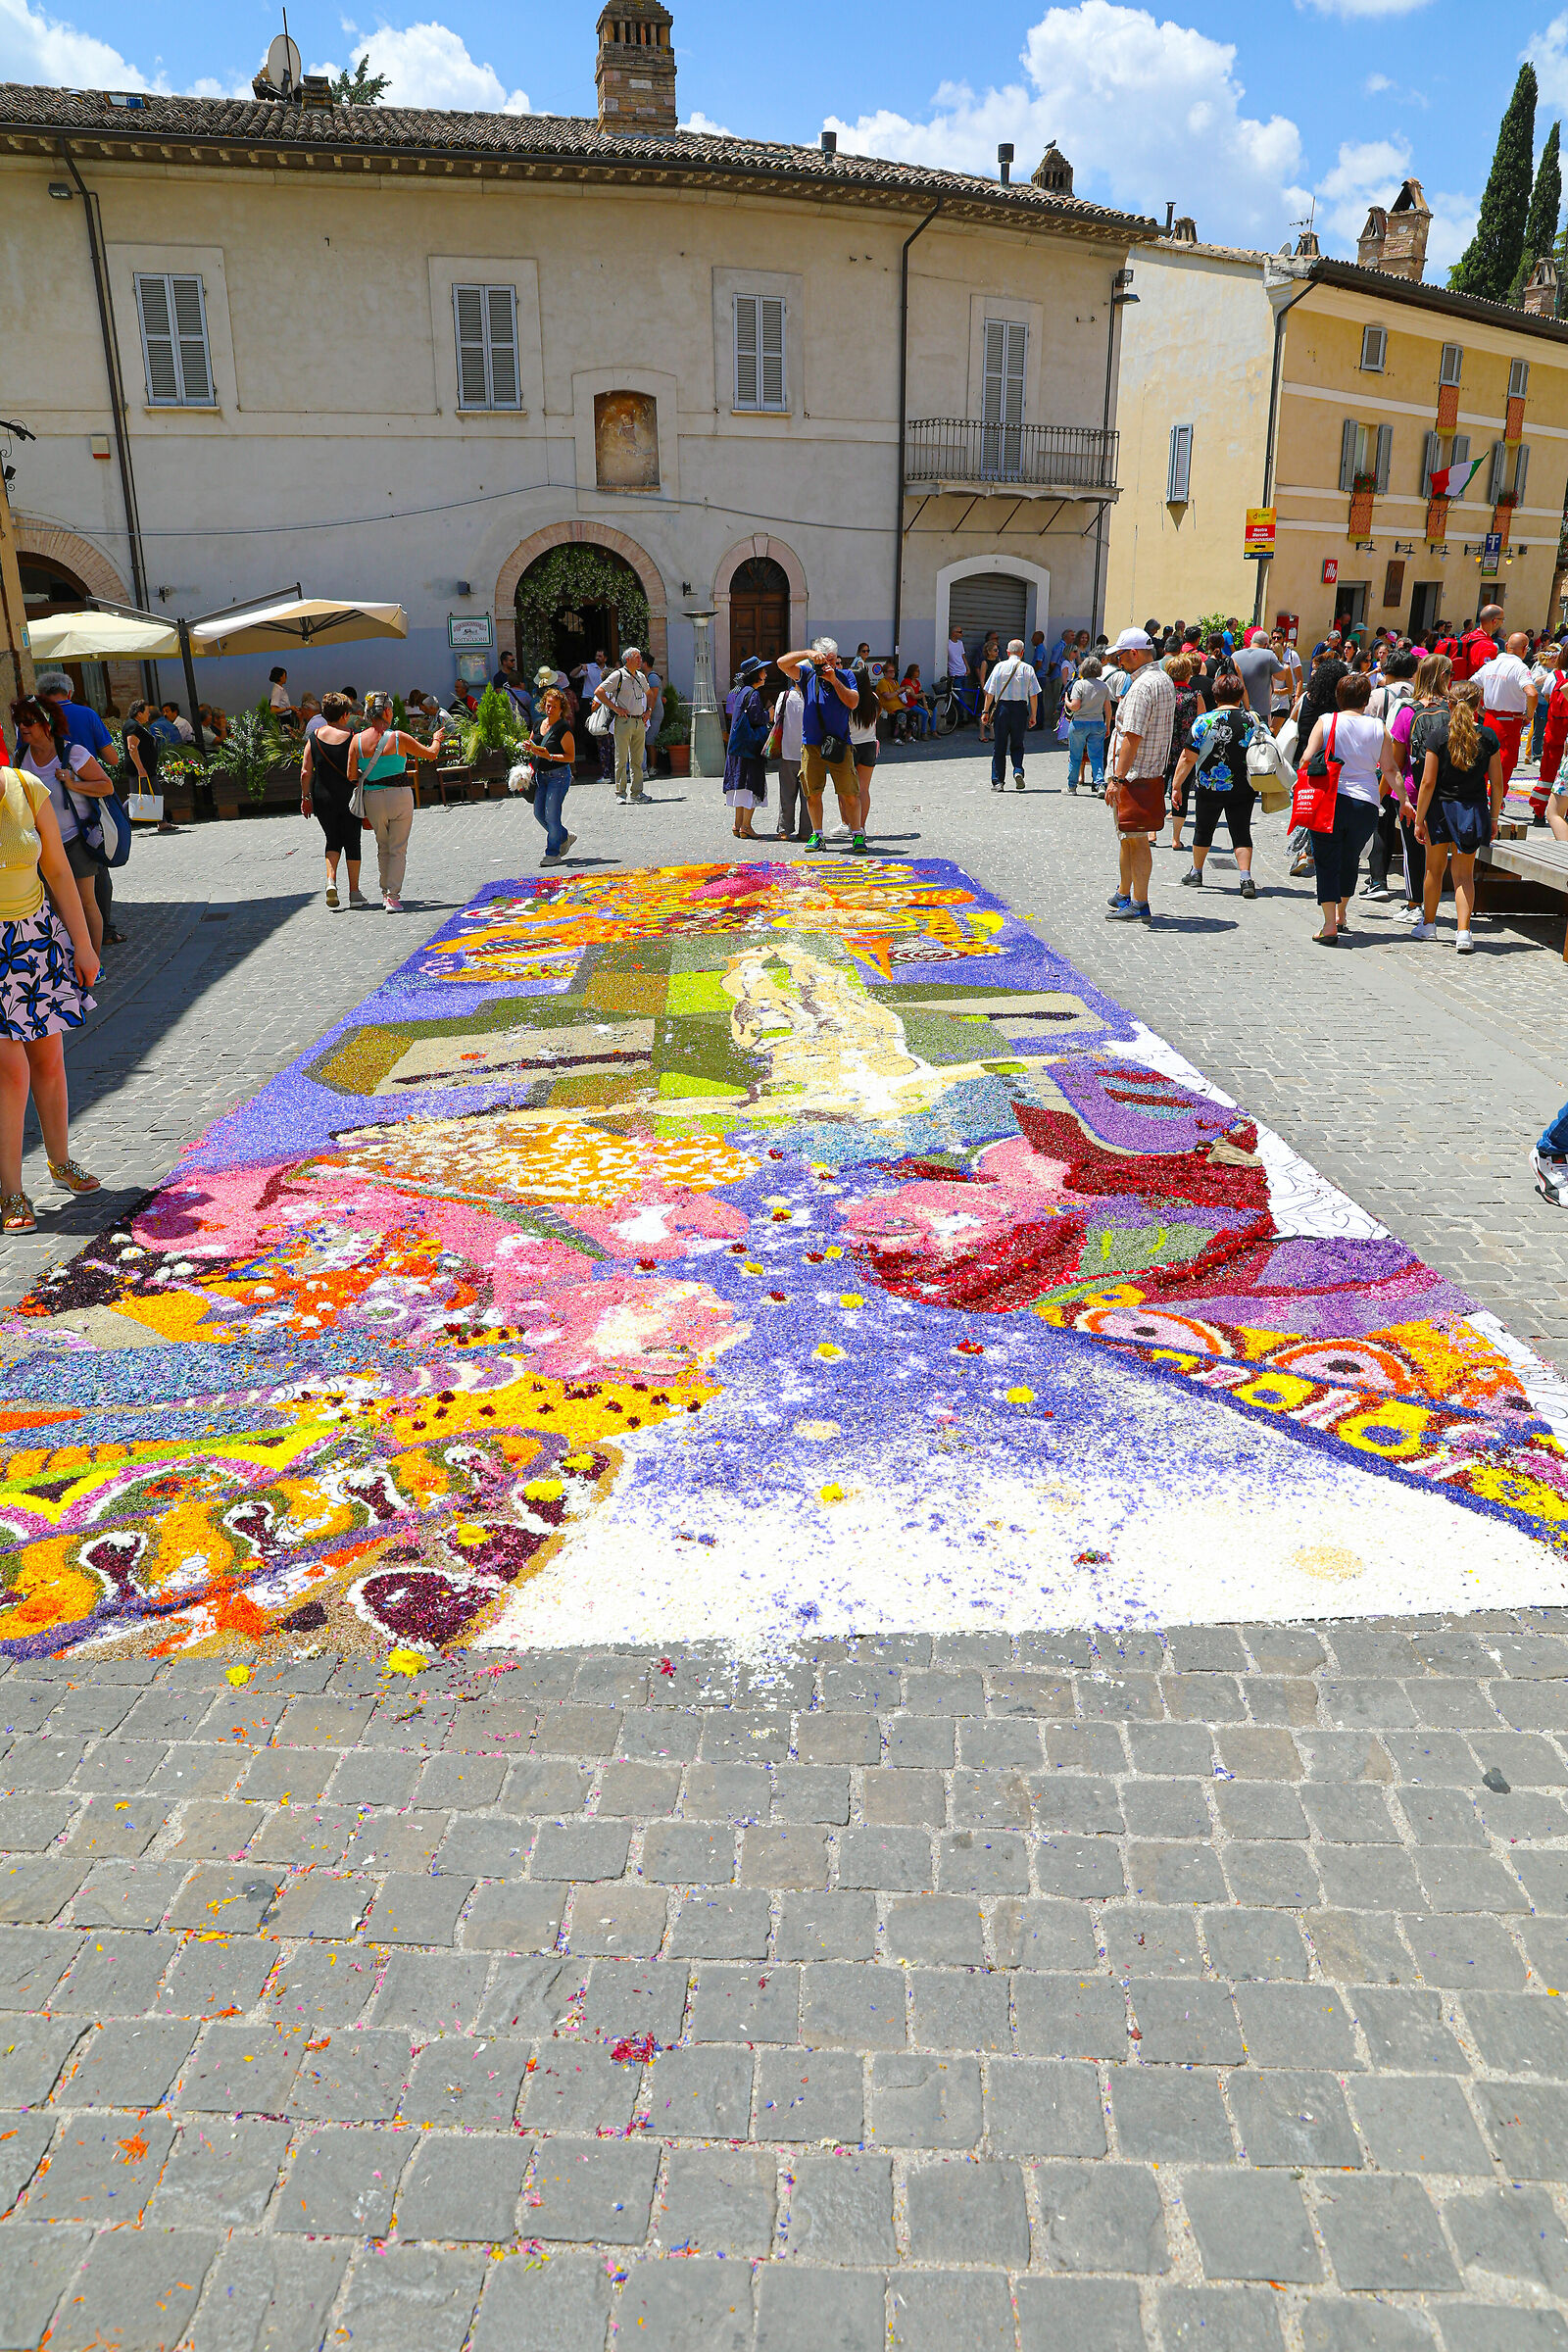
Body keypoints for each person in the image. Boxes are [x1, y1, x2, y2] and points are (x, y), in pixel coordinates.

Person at [0, 745, 100, 1231]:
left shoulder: (24, 785)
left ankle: (60, 1162)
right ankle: (11, 1191)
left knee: (49, 1060)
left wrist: (83, 945)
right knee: (11, 1073)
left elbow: (59, 870)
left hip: (37, 940)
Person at [12, 695, 115, 956]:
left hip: (76, 839)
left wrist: (73, 783)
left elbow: (106, 786)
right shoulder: (20, 757)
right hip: (45, 844)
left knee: (85, 902)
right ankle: (70, 957)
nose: (23, 727)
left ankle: (94, 962)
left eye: (29, 722)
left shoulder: (72, 753)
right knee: (57, 904)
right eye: (19, 722)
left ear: (46, 723)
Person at [1411, 680, 1504, 952]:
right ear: (1477, 706)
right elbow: (1497, 784)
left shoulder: (1438, 737)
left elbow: (1427, 783)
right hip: (1472, 810)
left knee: (1434, 869)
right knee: (1464, 874)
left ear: (1449, 705)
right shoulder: (1488, 737)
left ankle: (1428, 924)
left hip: (1440, 809)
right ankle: (1463, 931)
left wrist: (1419, 819)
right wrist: (1494, 817)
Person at [1298, 672, 1387, 945]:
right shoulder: (1378, 727)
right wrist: (1404, 800)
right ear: (1365, 698)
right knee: (1350, 858)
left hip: (1331, 801)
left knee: (1326, 861)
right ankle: (1341, 913)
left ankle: (1328, 925)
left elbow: (1306, 757)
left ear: (1339, 696)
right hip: (1366, 804)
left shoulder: (1327, 721)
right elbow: (1390, 768)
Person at [345, 691, 447, 911]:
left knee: (383, 846)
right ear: (388, 711)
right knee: (398, 848)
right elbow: (431, 754)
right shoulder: (398, 737)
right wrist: (437, 739)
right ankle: (392, 896)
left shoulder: (357, 740)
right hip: (398, 795)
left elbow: (351, 775)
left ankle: (384, 892)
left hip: (372, 797)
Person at [1104, 628, 1175, 923]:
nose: (1119, 661)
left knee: (1136, 838)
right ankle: (1125, 891)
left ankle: (1140, 901)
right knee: (1127, 835)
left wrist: (1117, 779)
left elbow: (1131, 736)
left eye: (1121, 655)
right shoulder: (1163, 679)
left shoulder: (1142, 685)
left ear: (1134, 653)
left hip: (1134, 775)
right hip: (1150, 771)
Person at [1169, 673, 1259, 898]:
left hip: (1209, 785)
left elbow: (1187, 757)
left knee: (1203, 828)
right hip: (1243, 785)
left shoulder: (1204, 721)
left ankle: (1196, 871)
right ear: (1240, 695)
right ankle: (1245, 877)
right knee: (1241, 831)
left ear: (1216, 695)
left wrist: (1177, 785)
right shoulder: (1253, 720)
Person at [1380, 651, 1447, 922]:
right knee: (1436, 849)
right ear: (1443, 677)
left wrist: (1383, 793)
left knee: (1413, 848)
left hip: (1412, 789)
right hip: (1446, 790)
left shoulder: (1408, 712)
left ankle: (1414, 903)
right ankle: (1428, 904)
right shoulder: (1453, 710)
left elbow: (1394, 762)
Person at [778, 638, 861, 854]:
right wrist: (807, 653)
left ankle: (858, 835)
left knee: (849, 793)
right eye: (823, 660)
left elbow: (853, 702)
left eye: (831, 660)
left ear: (836, 658)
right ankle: (818, 835)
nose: (827, 665)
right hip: (812, 744)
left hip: (840, 743)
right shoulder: (807, 676)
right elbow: (781, 663)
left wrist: (834, 680)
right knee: (813, 793)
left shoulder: (846, 676)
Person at [300, 691, 367, 911]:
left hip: (322, 796)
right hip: (349, 796)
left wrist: (306, 797)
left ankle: (331, 881)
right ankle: (355, 892)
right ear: (345, 715)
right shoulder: (352, 737)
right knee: (352, 841)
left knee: (332, 839)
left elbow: (305, 772)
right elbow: (359, 768)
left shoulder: (314, 737)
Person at [1364, 651, 1418, 901]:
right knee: (1408, 827)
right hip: (1413, 767)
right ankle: (1415, 888)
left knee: (1380, 823)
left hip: (1383, 765)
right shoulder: (1419, 694)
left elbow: (1368, 728)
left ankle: (1378, 879)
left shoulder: (1378, 695)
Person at [1474, 631, 1537, 806]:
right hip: (1510, 720)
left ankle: (1481, 795)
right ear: (1525, 649)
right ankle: (1496, 800)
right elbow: (1532, 693)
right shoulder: (1520, 668)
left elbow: (1471, 685)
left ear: (1507, 646)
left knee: (1484, 757)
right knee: (1505, 763)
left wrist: (1479, 707)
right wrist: (1529, 715)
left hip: (1489, 717)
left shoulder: (1491, 665)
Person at [518, 684, 577, 865]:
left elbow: (570, 757)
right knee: (539, 813)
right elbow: (533, 743)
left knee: (552, 815)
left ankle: (553, 853)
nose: (550, 709)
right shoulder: (538, 724)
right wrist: (529, 747)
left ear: (561, 709)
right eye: (548, 705)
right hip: (540, 776)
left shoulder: (563, 729)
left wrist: (549, 755)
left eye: (554, 706)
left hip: (558, 776)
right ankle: (564, 836)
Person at [593, 648, 653, 807]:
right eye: (637, 657)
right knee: (621, 758)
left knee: (638, 759)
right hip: (624, 722)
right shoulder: (618, 675)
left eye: (640, 657)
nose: (640, 660)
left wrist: (649, 711)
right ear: (627, 660)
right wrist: (615, 708)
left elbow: (650, 694)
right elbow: (599, 692)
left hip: (639, 721)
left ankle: (637, 792)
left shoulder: (640, 676)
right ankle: (620, 793)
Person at [723, 655, 770, 841]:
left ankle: (738, 824)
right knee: (751, 783)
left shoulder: (741, 692)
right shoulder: (754, 694)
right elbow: (756, 718)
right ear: (756, 675)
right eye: (763, 671)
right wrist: (769, 715)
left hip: (739, 747)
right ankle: (746, 825)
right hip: (750, 748)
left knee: (740, 784)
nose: (766, 674)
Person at [983, 637, 1038, 791]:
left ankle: (998, 781)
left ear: (1007, 652)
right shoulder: (1028, 668)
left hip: (1002, 708)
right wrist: (1033, 715)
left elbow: (990, 692)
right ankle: (1018, 770)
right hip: (1020, 709)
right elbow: (1033, 695)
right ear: (1022, 652)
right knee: (1017, 744)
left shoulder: (999, 667)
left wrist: (986, 711)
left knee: (999, 745)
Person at [1165, 654, 1202, 856]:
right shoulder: (1195, 696)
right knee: (1182, 792)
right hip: (1186, 752)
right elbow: (1201, 726)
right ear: (1188, 674)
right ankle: (1175, 838)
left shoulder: (1164, 694)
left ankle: (1152, 833)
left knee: (1157, 788)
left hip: (1162, 749)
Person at [771, 670, 809, 844]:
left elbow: (776, 720)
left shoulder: (785, 696)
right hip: (809, 753)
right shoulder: (813, 697)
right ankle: (806, 831)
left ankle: (784, 829)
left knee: (786, 793)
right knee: (808, 795)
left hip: (788, 750)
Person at [1063, 656, 1109, 797]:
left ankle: (1072, 786)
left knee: (1075, 756)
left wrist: (1067, 702)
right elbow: (1107, 708)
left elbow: (1075, 706)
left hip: (1079, 723)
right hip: (1097, 722)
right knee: (1096, 756)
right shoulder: (1103, 686)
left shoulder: (1080, 684)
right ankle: (1100, 783)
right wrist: (1107, 724)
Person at [848, 670, 881, 833]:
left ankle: (849, 824)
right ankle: (861, 826)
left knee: (848, 790)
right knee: (864, 789)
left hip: (851, 745)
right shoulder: (874, 698)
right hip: (869, 744)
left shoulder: (849, 699)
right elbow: (877, 717)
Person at [1233, 628, 1285, 728]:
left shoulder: (1235, 655)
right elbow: (1281, 676)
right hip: (1260, 711)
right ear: (1265, 645)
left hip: (1238, 709)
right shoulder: (1268, 655)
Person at [1456, 606, 1502, 681]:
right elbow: (1487, 678)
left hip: (1460, 687)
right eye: (1502, 620)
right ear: (1495, 621)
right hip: (1474, 690)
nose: (1502, 623)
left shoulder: (1467, 637)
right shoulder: (1489, 646)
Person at [641, 661, 663, 783]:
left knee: (650, 740)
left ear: (645, 663)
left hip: (654, 714)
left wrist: (649, 711)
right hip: (650, 713)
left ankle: (653, 767)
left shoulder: (652, 677)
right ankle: (650, 766)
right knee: (647, 740)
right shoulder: (647, 677)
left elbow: (654, 696)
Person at [901, 664, 932, 740]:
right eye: (917, 671)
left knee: (933, 709)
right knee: (925, 713)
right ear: (912, 672)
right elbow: (914, 696)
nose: (919, 672)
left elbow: (921, 693)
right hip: (909, 704)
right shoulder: (906, 682)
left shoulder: (917, 682)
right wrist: (923, 694)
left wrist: (925, 704)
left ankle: (933, 730)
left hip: (916, 703)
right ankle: (923, 733)